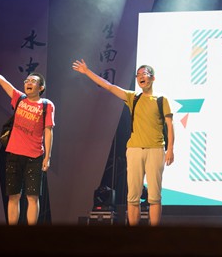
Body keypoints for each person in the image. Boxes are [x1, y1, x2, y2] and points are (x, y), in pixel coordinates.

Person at [72, 59, 174, 226]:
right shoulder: (133, 97)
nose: (141, 77)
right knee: (133, 197)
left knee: (154, 197)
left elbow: (170, 126)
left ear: (153, 78)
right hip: (134, 150)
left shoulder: (161, 100)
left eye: (144, 74)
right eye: (138, 75)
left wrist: (170, 149)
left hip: (156, 149)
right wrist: (87, 71)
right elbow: (109, 86)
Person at [0, 57, 55, 225]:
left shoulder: (46, 105)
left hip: (35, 157)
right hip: (14, 154)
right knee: (13, 196)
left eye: (33, 81)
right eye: (27, 80)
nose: (28, 83)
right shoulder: (19, 98)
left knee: (32, 197)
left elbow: (48, 131)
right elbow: (1, 80)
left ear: (41, 88)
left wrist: (48, 157)